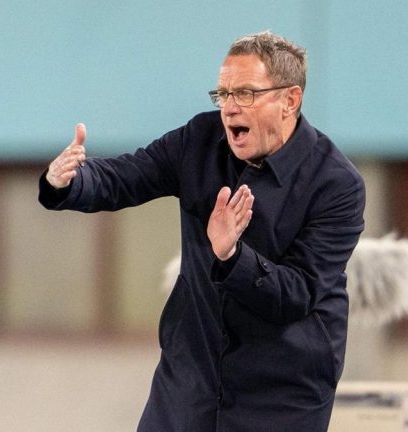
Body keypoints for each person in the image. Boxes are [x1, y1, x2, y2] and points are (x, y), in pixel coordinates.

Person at [39, 31, 365, 432]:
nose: (229, 108)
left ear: (290, 100)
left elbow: (296, 294)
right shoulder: (199, 139)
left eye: (245, 93)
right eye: (223, 94)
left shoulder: (337, 184)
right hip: (190, 376)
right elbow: (129, 174)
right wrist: (70, 180)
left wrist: (232, 257)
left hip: (282, 391)